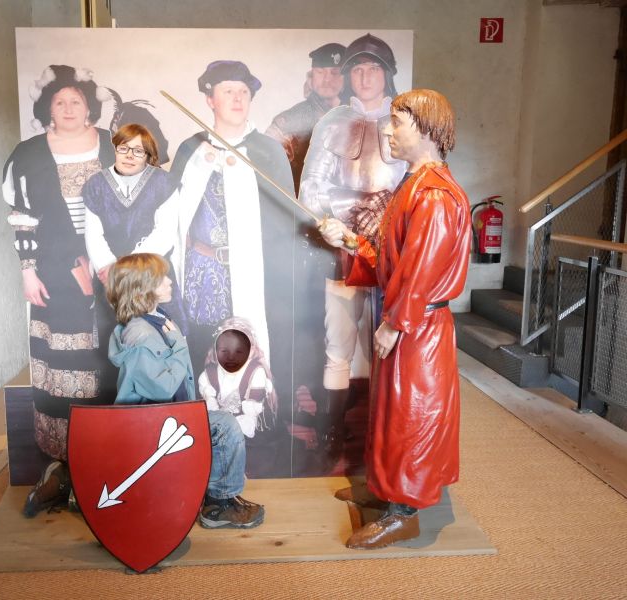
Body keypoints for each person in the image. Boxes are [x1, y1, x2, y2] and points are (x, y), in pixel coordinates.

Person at [319, 89, 471, 549]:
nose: (386, 130)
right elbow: (395, 259)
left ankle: (403, 511)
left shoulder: (436, 196)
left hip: (417, 328)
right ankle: (387, 491)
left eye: (397, 122)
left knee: (410, 417)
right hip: (409, 322)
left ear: (426, 130)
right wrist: (351, 242)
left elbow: (421, 270)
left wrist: (396, 322)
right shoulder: (414, 185)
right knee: (392, 414)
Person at [133, 60, 295, 415]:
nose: (237, 99)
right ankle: (198, 419)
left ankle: (246, 421)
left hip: (252, 272)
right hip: (200, 269)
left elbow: (286, 222)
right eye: (228, 92)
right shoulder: (191, 150)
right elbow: (168, 214)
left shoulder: (268, 151)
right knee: (202, 341)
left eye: (243, 92)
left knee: (244, 343)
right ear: (210, 100)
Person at [2, 64, 116, 517]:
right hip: (52, 269)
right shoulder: (28, 154)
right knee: (60, 357)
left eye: (76, 101)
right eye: (59, 103)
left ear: (89, 106)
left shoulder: (112, 144)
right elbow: (24, 218)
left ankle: (105, 460)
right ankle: (62, 464)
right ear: (47, 110)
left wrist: (106, 261)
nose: (69, 109)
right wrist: (28, 272)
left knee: (104, 353)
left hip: (109, 269)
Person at [298, 34, 407, 462]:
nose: (365, 77)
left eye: (373, 69)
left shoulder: (404, 120)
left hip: (391, 254)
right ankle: (333, 431)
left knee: (388, 344)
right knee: (339, 343)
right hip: (342, 250)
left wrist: (390, 229)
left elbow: (413, 186)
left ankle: (384, 434)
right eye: (358, 70)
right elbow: (312, 186)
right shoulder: (333, 122)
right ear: (348, 77)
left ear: (387, 74)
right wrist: (328, 226)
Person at [106, 253, 265, 528]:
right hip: (151, 424)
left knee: (221, 423)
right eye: (161, 279)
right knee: (225, 426)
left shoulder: (155, 320)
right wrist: (179, 344)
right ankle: (218, 505)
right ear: (143, 289)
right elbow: (162, 387)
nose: (170, 282)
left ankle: (218, 496)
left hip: (164, 415)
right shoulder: (141, 335)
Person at [82, 123, 186, 370]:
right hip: (110, 277)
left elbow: (165, 232)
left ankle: (163, 399)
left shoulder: (164, 183)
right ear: (115, 148)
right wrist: (112, 271)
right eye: (124, 148)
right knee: (115, 336)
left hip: (152, 272)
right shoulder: (96, 185)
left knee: (163, 333)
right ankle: (120, 401)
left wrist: (130, 269)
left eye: (138, 151)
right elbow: (93, 235)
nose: (129, 156)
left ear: (149, 154)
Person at [199, 317, 280, 477]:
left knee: (252, 464)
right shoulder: (209, 375)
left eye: (238, 351)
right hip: (220, 431)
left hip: (252, 438)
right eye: (224, 351)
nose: (231, 357)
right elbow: (211, 412)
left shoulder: (255, 373)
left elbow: (249, 420)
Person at [265, 42, 345, 195]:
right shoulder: (288, 123)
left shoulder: (361, 118)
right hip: (300, 211)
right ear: (311, 77)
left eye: (335, 72)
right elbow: (265, 172)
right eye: (320, 72)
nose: (327, 80)